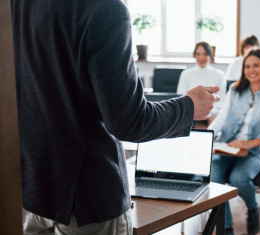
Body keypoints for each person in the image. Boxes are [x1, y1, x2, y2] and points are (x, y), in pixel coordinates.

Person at [11, 0, 219, 234]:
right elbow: (131, 122)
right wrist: (189, 107)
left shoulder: (19, 5)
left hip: (31, 189)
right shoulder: (105, 9)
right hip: (88, 200)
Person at [209, 48, 260, 235]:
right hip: (228, 146)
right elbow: (222, 118)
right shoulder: (235, 90)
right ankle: (226, 226)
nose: (251, 70)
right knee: (213, 175)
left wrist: (250, 143)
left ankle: (253, 208)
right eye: (247, 66)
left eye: (256, 65)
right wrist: (206, 137)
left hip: (257, 152)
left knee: (239, 178)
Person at [177, 41, 226, 120]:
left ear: (210, 55)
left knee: (216, 119)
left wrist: (210, 113)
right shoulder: (185, 74)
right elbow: (180, 97)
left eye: (205, 54)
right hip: (190, 114)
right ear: (194, 55)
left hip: (212, 114)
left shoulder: (220, 75)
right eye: (198, 54)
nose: (201, 58)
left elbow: (222, 102)